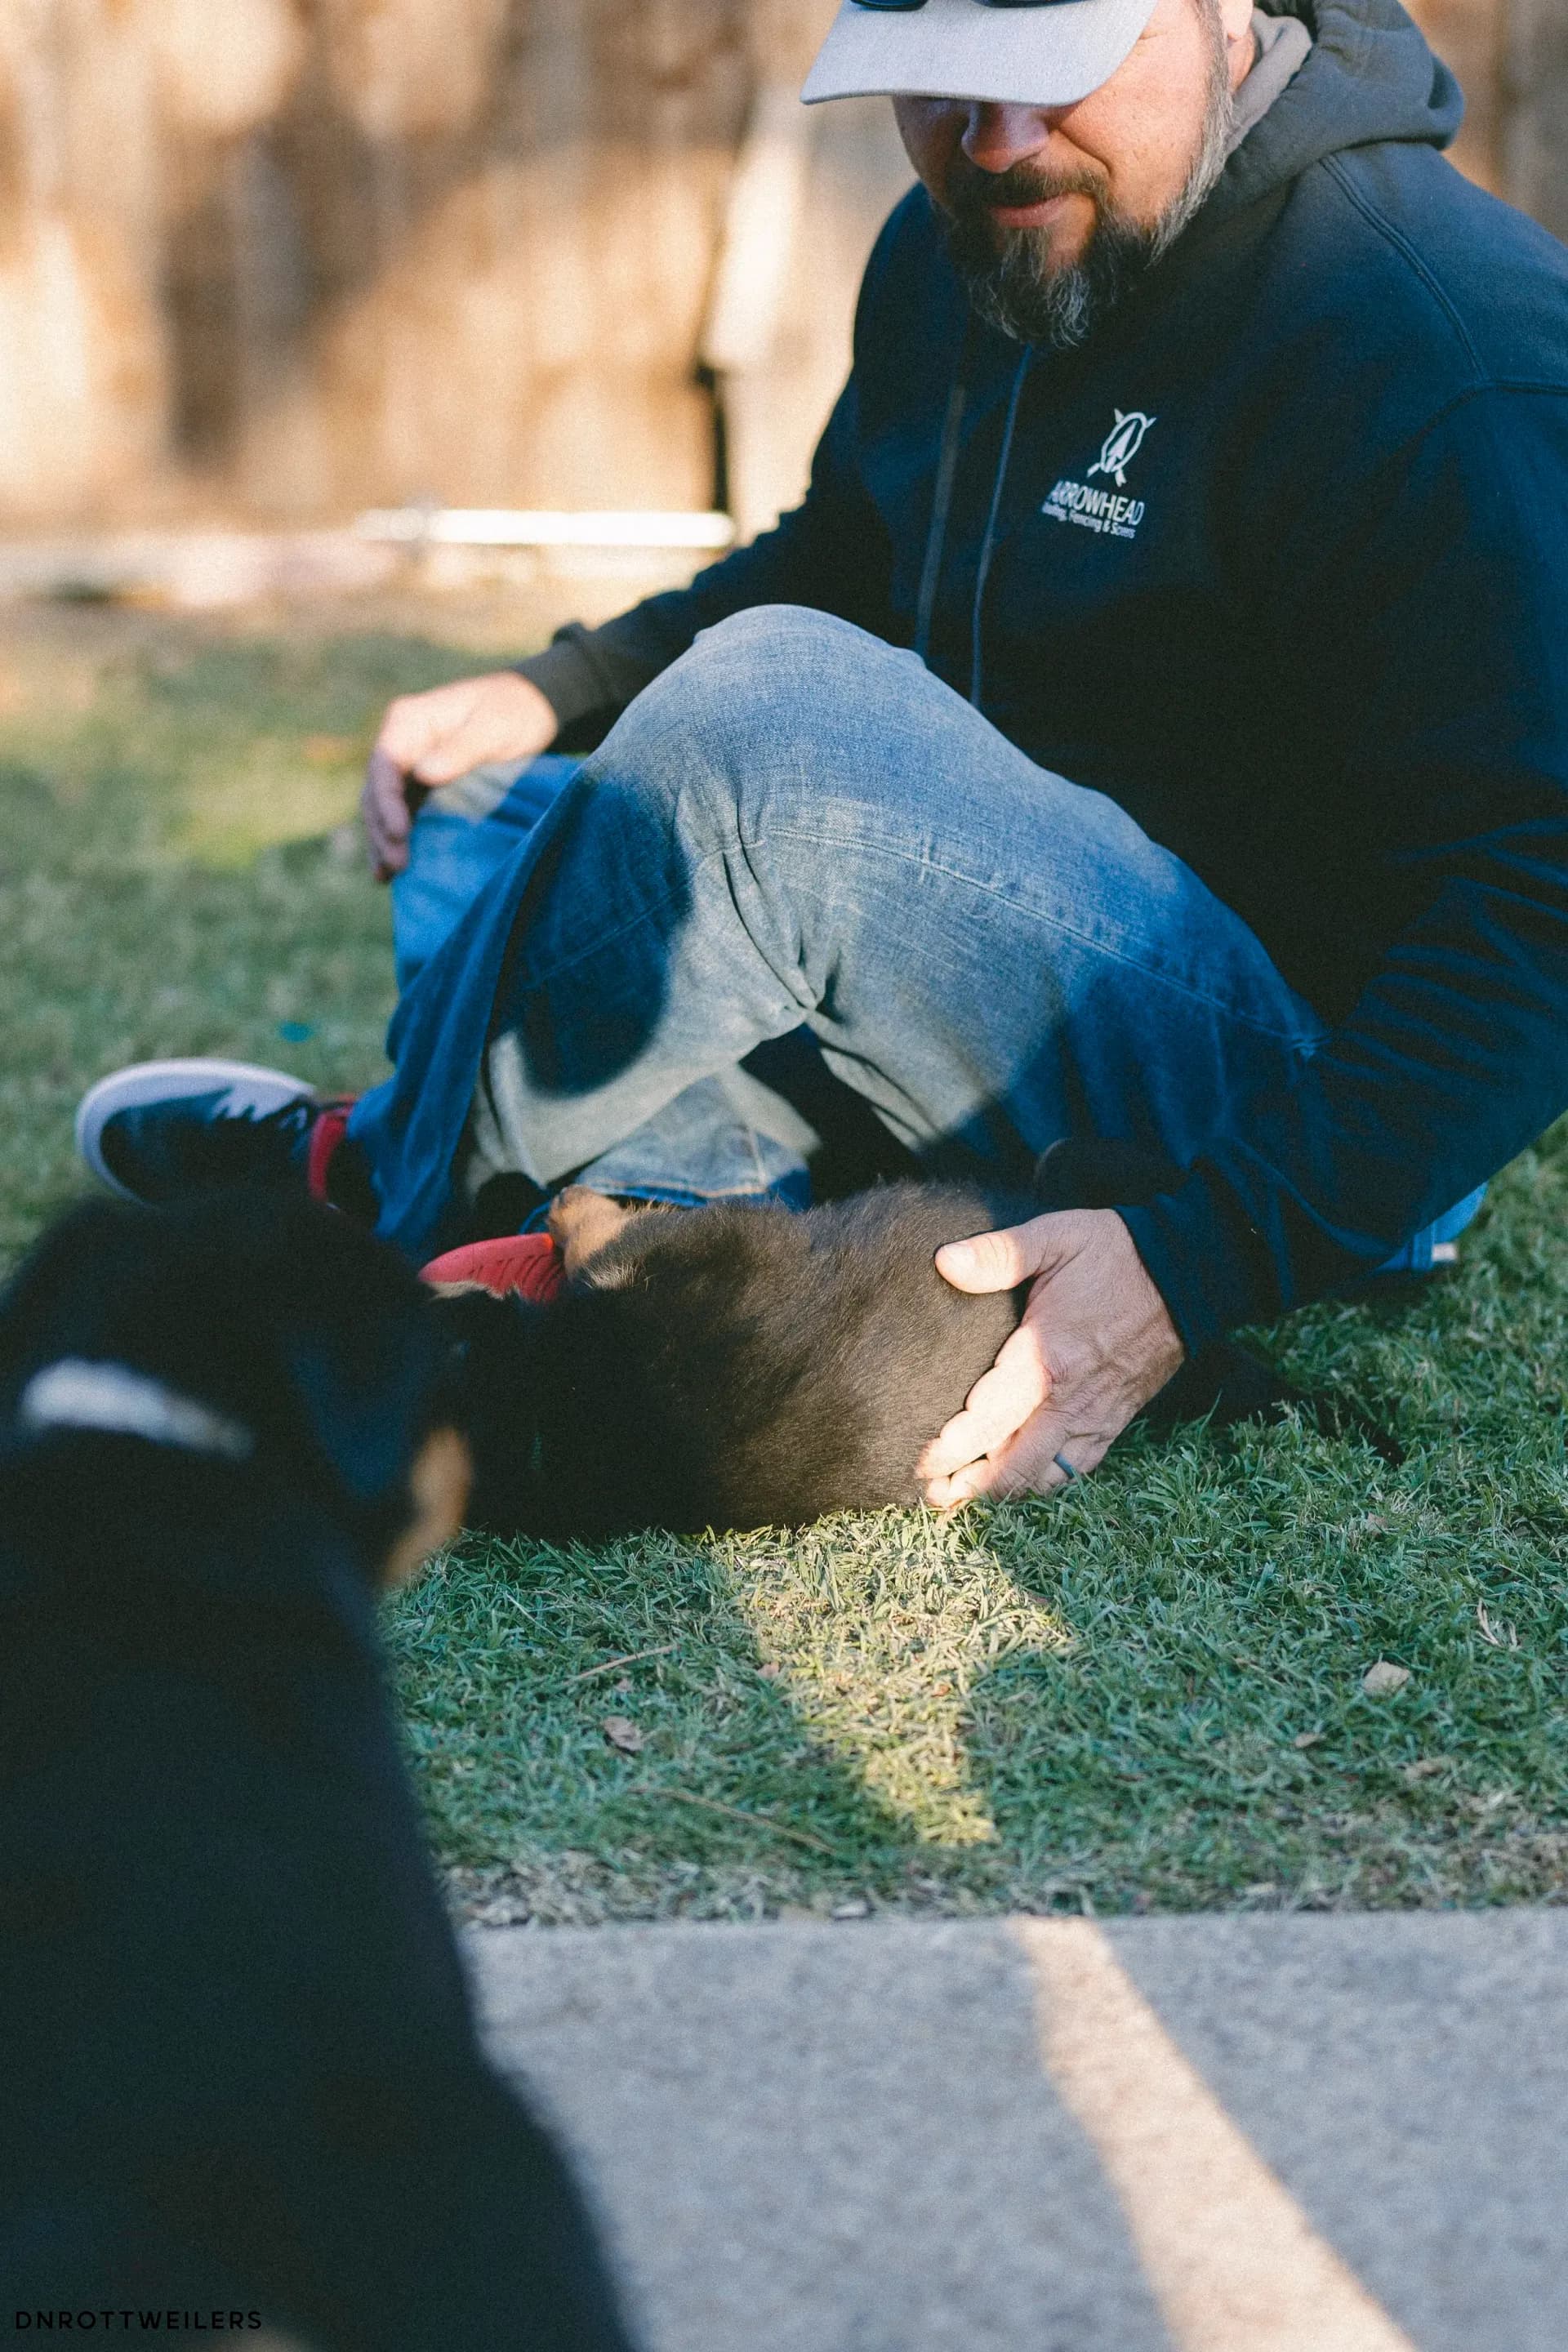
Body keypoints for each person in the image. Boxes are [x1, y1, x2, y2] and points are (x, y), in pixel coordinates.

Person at [77, 0, 1568, 1506]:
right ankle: (599, 1246)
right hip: (978, 956)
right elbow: (850, 550)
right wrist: (561, 684)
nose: (993, 142)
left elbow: (1544, 898)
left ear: (1234, 19)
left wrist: (1203, 1254)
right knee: (483, 800)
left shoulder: (1438, 341)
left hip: (1306, 1075)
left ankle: (368, 1190)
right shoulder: (956, 251)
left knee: (765, 742)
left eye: (1053, 75)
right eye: (942, 84)